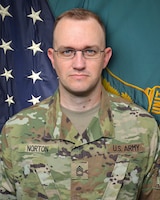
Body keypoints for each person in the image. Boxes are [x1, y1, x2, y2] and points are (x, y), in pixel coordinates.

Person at [0, 8, 160, 200]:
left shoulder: (143, 129)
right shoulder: (16, 131)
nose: (79, 63)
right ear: (52, 58)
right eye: (67, 51)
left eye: (89, 51)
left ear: (105, 57)